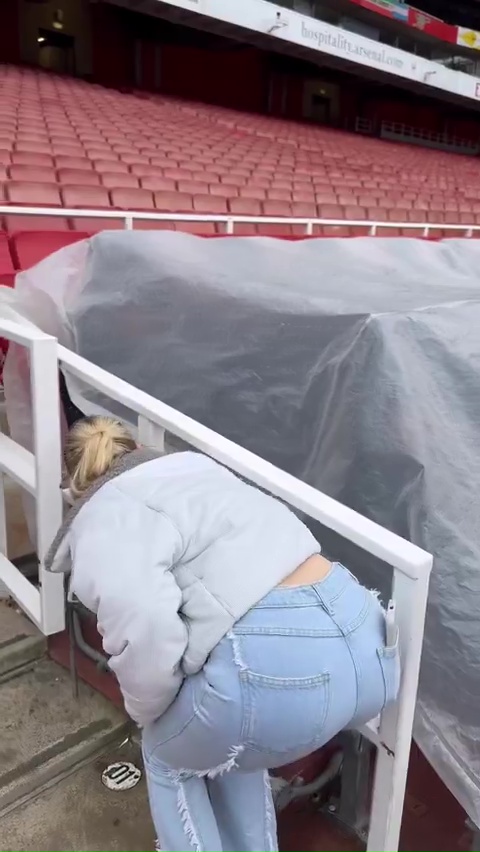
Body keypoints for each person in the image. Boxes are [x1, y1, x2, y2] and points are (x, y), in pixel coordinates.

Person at [45, 416, 400, 852]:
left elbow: (145, 628)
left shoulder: (103, 516)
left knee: (165, 754)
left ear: (75, 486)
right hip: (366, 641)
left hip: (278, 670)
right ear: (134, 447)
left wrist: (147, 709)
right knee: (232, 748)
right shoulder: (196, 468)